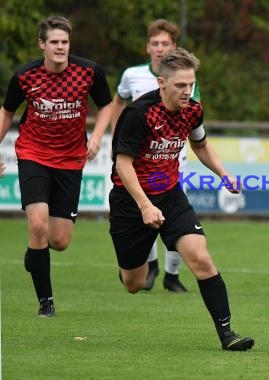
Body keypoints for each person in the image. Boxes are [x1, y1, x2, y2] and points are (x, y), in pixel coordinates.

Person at [109, 47, 254, 351]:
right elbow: (123, 164)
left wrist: (224, 174)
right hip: (130, 200)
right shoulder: (138, 114)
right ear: (161, 82)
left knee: (201, 258)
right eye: (180, 86)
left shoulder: (193, 109)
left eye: (191, 84)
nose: (187, 91)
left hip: (170, 194)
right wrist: (145, 206)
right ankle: (128, 269)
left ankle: (228, 334)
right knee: (134, 283)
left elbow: (200, 145)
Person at [0, 16, 113, 317]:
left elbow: (107, 105)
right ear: (42, 44)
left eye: (64, 42)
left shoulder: (88, 71)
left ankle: (34, 252)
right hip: (33, 153)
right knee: (38, 224)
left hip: (70, 159)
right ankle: (46, 302)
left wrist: (99, 136)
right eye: (54, 42)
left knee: (59, 241)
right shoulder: (25, 76)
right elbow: (7, 111)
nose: (60, 47)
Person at [110, 19, 196, 293]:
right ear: (147, 47)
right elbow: (118, 103)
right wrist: (117, 137)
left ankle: (172, 275)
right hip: (141, 161)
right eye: (155, 44)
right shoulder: (132, 75)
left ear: (173, 47)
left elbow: (193, 117)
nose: (160, 49)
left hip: (172, 162)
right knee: (145, 216)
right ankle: (145, 266)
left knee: (177, 223)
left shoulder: (185, 80)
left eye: (165, 44)